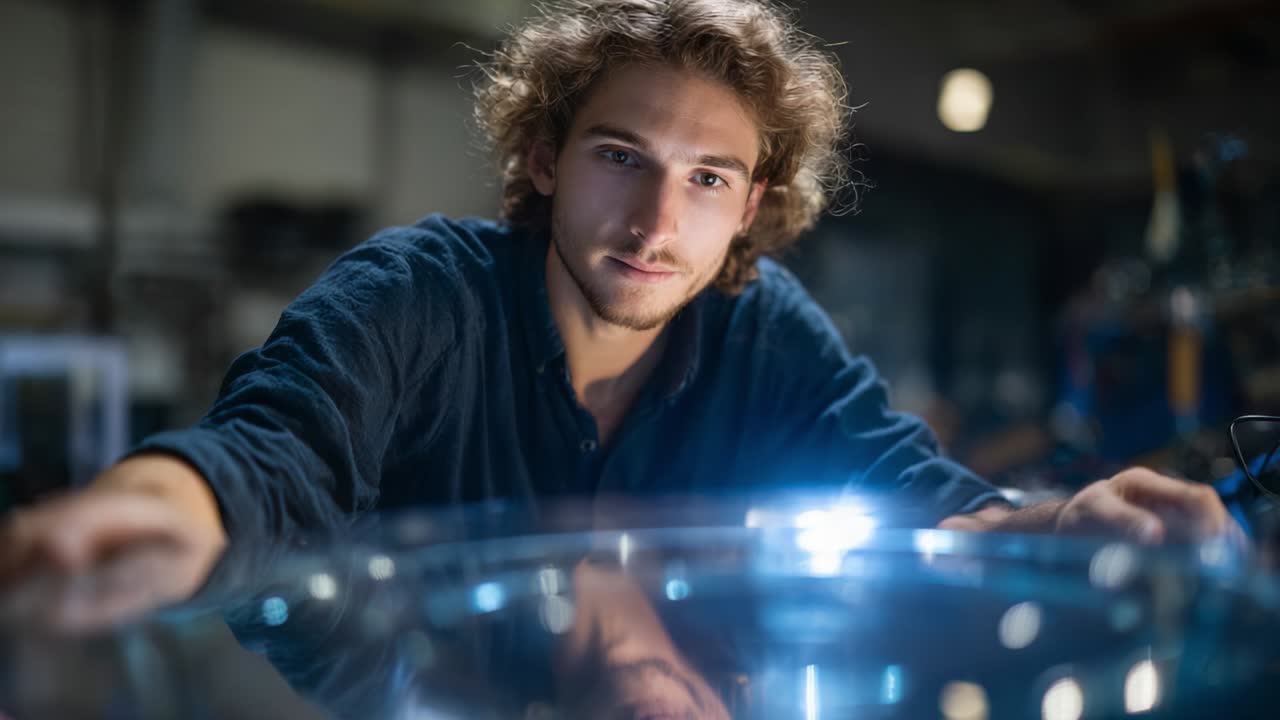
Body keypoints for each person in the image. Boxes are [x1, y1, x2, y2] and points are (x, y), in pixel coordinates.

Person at [0, 0, 1243, 630]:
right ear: (541, 158)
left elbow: (913, 494)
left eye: (707, 179)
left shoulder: (764, 331)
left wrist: (1061, 518)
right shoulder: (416, 295)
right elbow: (268, 458)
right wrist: (141, 511)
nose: (657, 220)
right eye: (618, 156)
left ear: (754, 202)